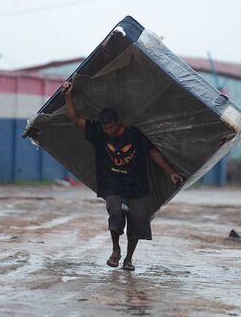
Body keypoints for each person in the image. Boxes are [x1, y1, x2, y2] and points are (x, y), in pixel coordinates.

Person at [62, 81, 183, 271]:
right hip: (112, 183)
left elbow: (153, 153)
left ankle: (129, 259)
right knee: (116, 214)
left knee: (137, 221)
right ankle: (115, 250)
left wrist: (171, 173)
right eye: (105, 128)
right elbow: (75, 119)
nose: (109, 131)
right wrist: (68, 95)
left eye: (111, 127)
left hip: (136, 184)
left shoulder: (134, 134)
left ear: (117, 122)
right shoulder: (98, 132)